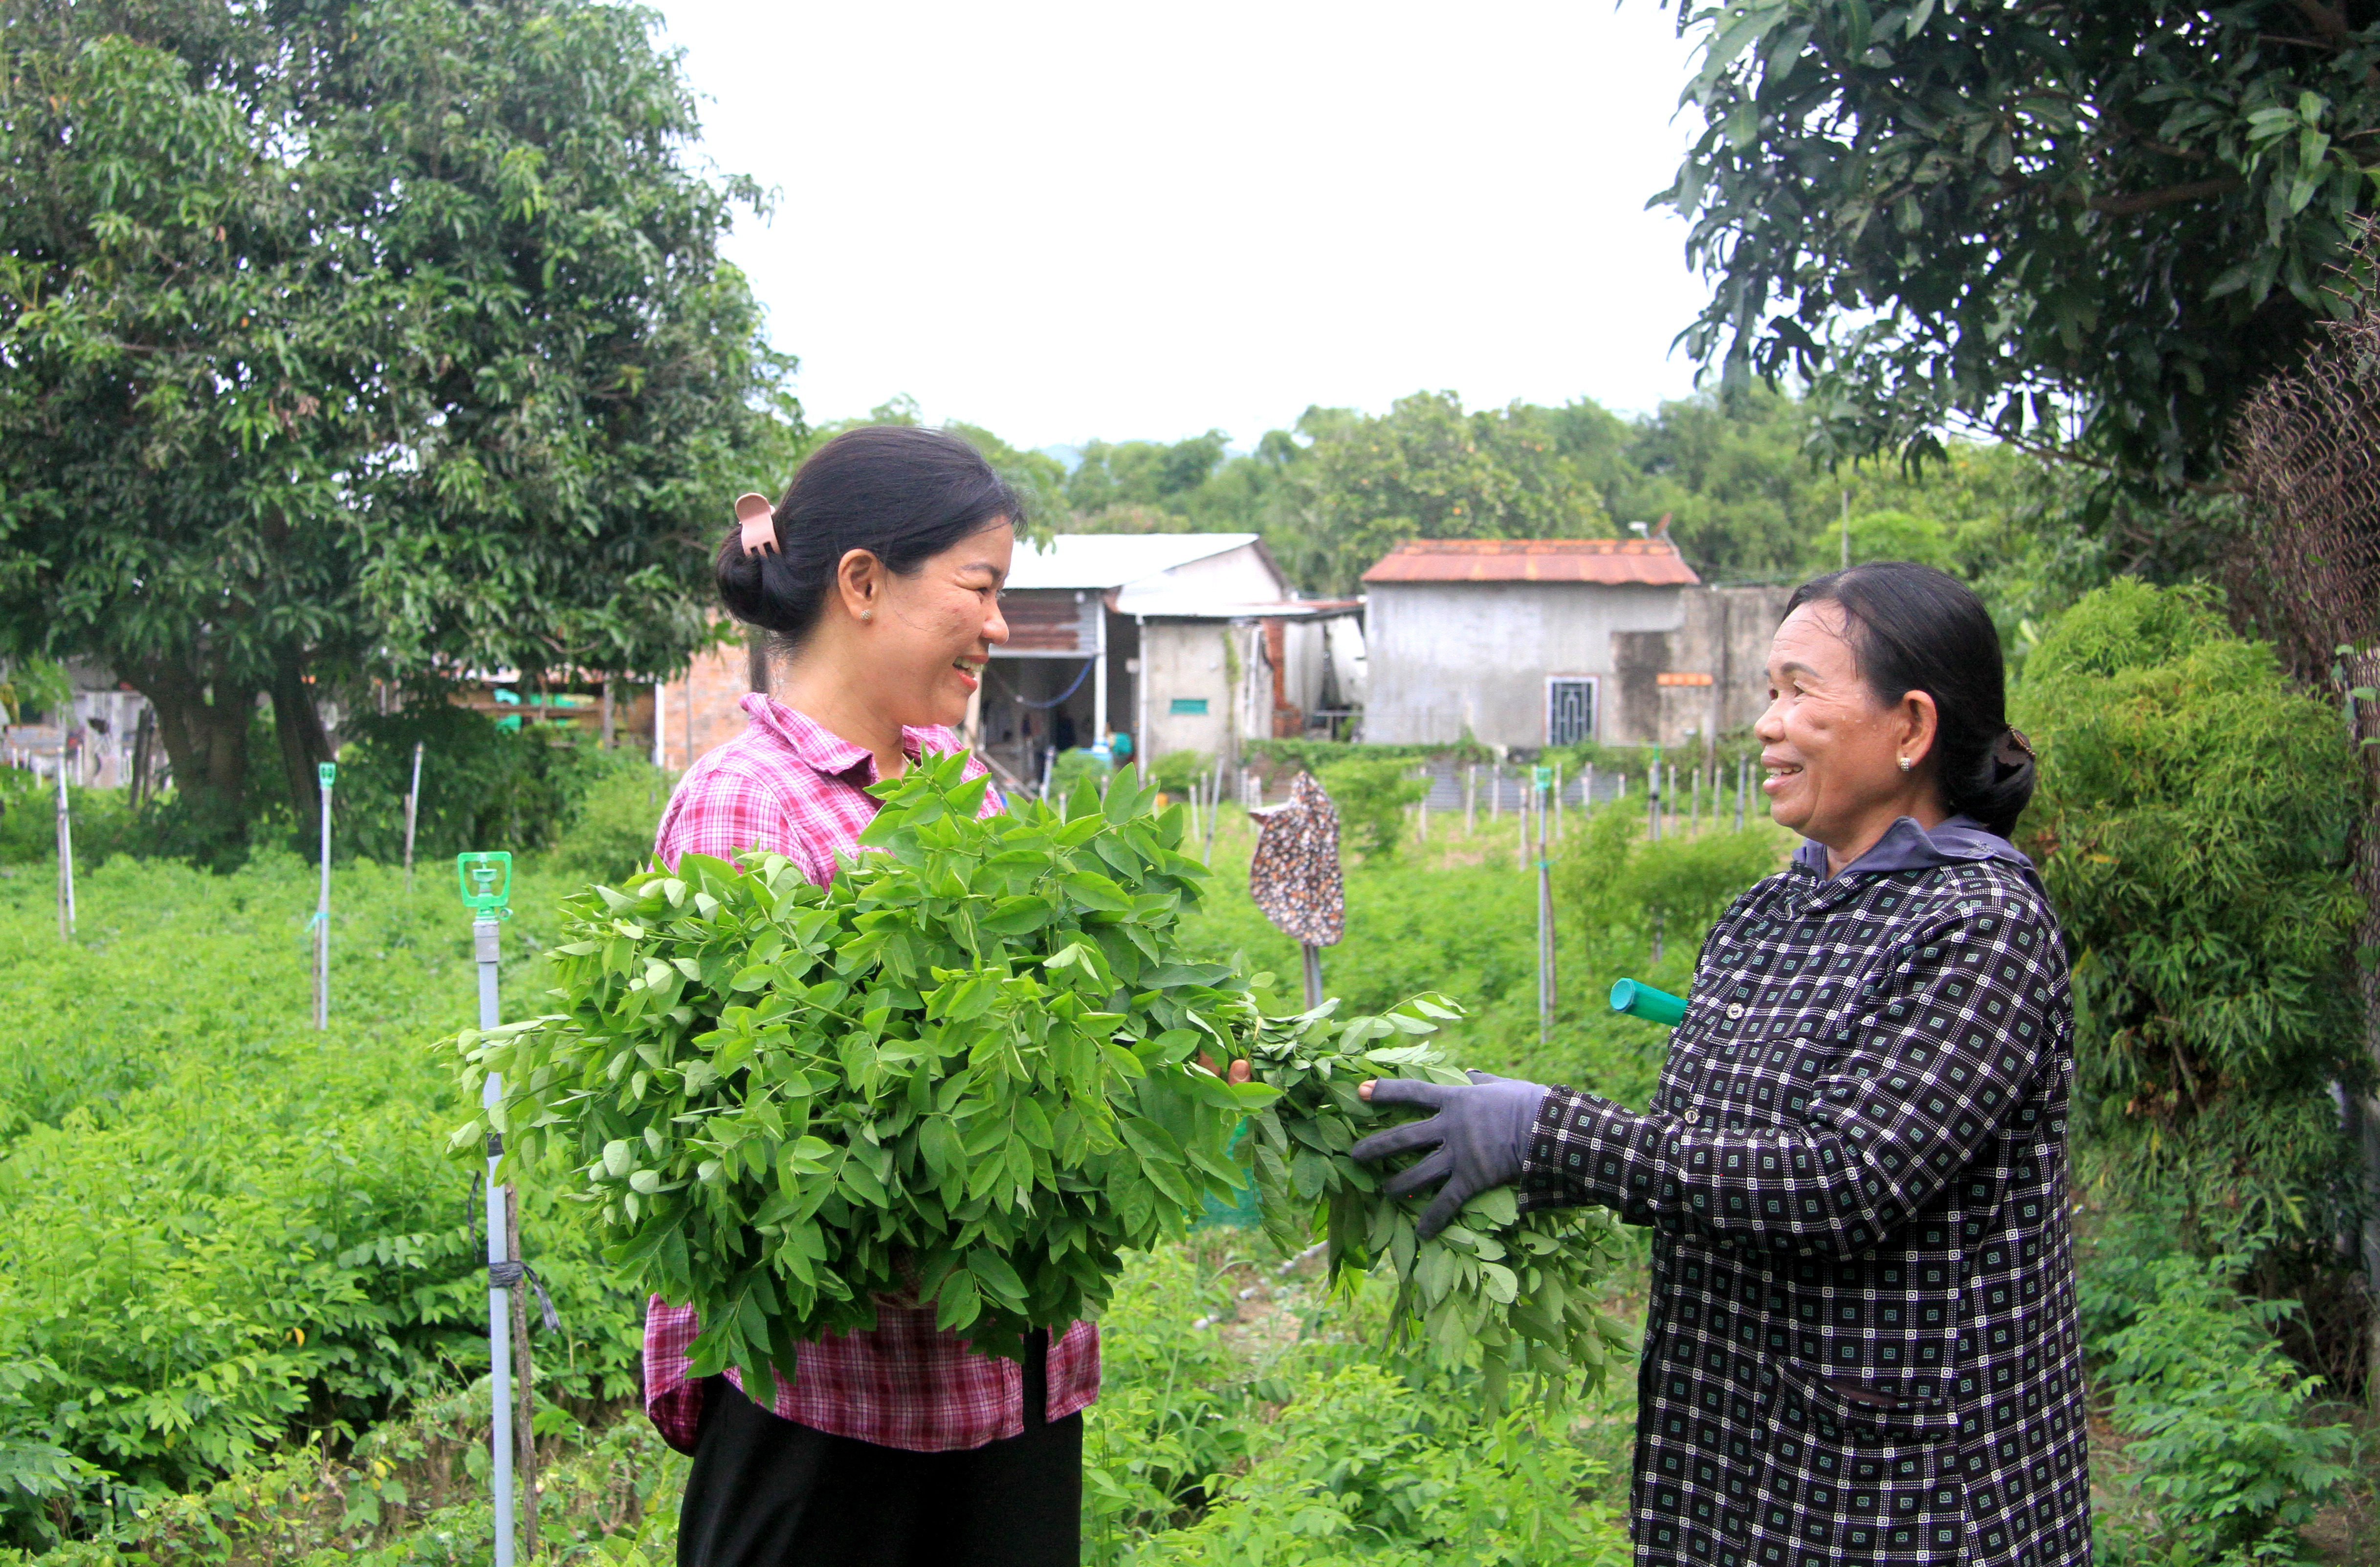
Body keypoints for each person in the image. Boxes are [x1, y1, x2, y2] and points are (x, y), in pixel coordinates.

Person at [1353, 562, 2087, 1567]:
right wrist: (1508, 1156)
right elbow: (1694, 1163)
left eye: (1798, 690)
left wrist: (1547, 1132)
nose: (1765, 723)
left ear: (1910, 726)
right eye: (1767, 692)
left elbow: (1842, 1181)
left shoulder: (1980, 926)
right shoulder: (1760, 919)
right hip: (1724, 1456)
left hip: (1902, 1493)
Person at [646, 426, 1079, 1567]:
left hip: (1006, 1396)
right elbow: (749, 1149)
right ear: (862, 582)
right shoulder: (748, 804)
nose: (997, 625)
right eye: (980, 588)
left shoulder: (964, 788)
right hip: (835, 1426)